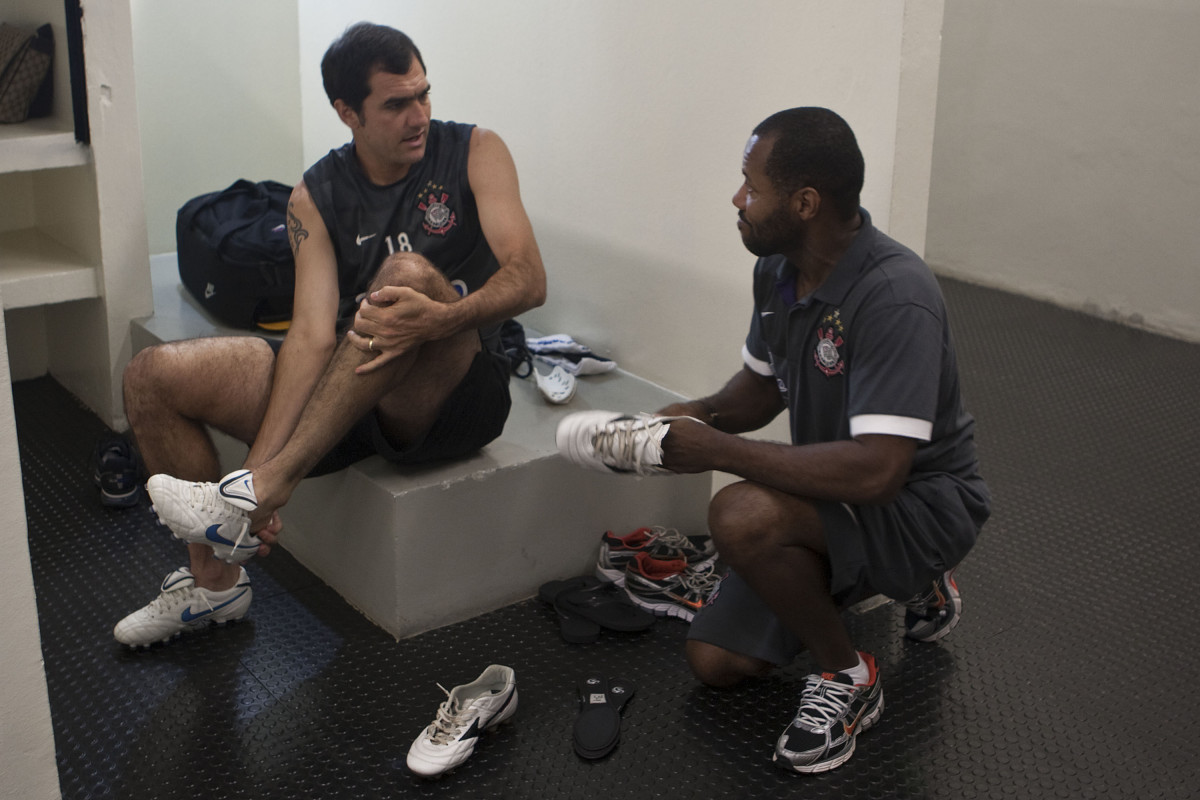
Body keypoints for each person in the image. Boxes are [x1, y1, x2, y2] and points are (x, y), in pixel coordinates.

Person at [556, 107, 989, 774]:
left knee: (739, 513)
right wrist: (684, 419)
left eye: (751, 187)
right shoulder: (779, 270)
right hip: (843, 495)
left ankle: (849, 674)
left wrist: (715, 452)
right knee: (715, 663)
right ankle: (884, 578)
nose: (738, 200)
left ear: (805, 203)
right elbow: (758, 393)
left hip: (921, 504)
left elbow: (878, 473)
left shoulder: (896, 296)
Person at [113, 22, 546, 647]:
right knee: (152, 376)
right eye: (396, 104)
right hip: (351, 377)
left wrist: (443, 317)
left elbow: (529, 280)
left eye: (424, 95)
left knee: (403, 277)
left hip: (450, 390)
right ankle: (215, 582)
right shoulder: (314, 195)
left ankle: (269, 486)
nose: (418, 115)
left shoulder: (477, 149)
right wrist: (252, 472)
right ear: (347, 111)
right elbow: (312, 336)